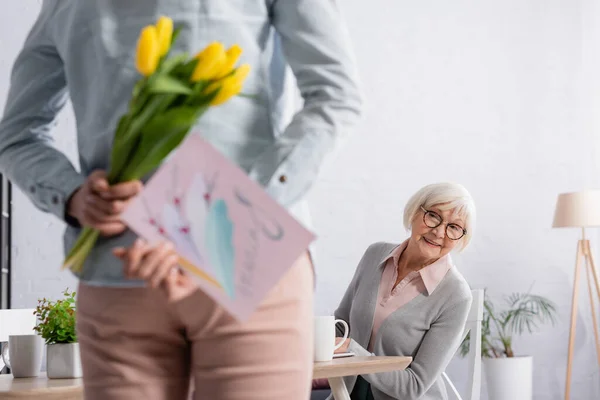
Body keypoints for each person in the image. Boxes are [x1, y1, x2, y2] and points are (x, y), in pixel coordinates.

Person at [0, 1, 362, 399]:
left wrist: (219, 226)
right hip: (129, 273)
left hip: (238, 269)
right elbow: (17, 137)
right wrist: (72, 195)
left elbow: (333, 98)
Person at [331, 182, 475, 400]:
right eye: (434, 216)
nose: (438, 232)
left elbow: (414, 386)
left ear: (461, 238)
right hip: (346, 392)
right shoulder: (375, 254)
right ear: (415, 212)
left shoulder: (456, 295)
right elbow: (340, 326)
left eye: (454, 227)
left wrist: (354, 353)